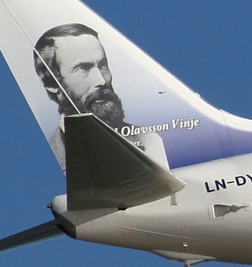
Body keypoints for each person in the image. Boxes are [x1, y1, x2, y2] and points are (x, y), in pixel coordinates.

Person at [33, 23, 168, 169]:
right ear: (51, 83)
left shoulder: (150, 141)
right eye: (83, 68)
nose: (102, 81)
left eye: (103, 65)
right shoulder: (54, 162)